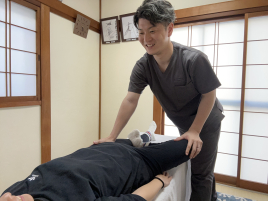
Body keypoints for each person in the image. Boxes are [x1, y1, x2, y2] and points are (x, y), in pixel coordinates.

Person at [93, 0, 225, 200]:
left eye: (152, 31)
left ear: (169, 29)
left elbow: (209, 94)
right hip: (182, 121)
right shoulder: (143, 66)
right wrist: (112, 136)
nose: (146, 39)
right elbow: (130, 100)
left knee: (200, 172)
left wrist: (195, 130)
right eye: (141, 32)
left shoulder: (193, 60)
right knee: (200, 163)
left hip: (206, 120)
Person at [1, 129, 190, 201]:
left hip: (96, 150)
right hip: (138, 161)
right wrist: (159, 181)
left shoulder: (13, 193)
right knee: (188, 145)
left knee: (133, 139)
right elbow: (135, 200)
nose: (11, 198)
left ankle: (144, 137)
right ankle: (144, 139)